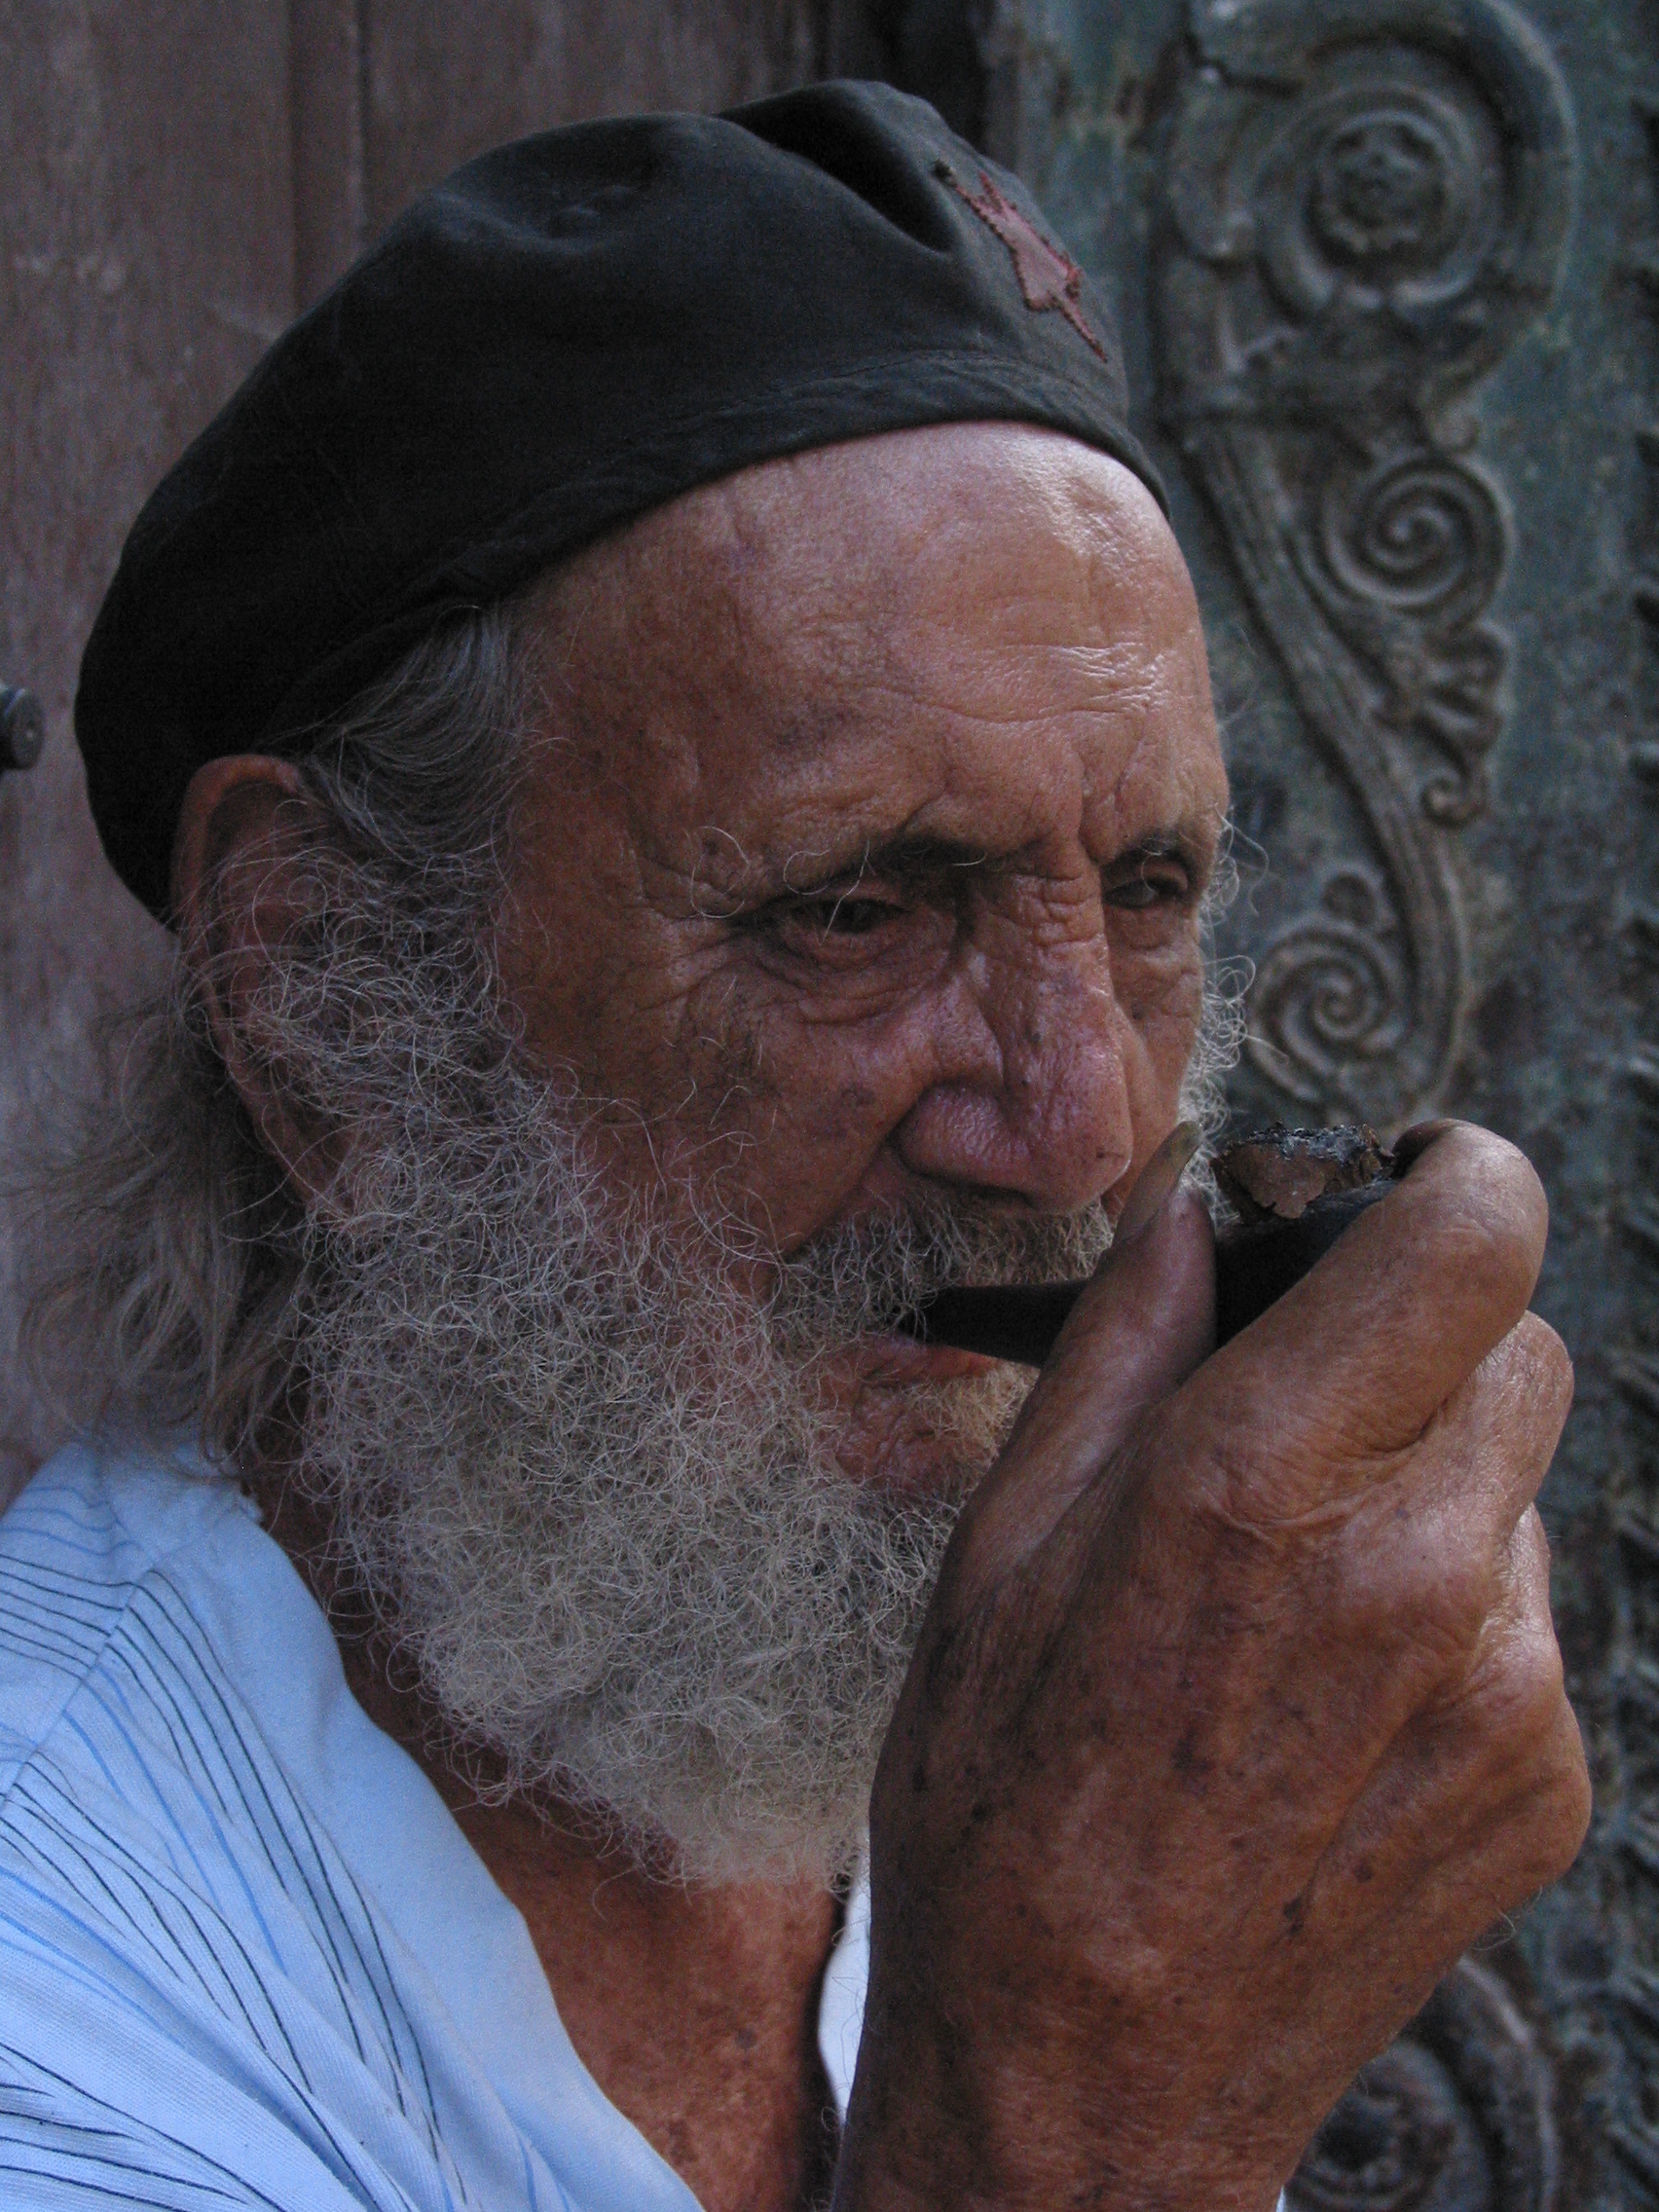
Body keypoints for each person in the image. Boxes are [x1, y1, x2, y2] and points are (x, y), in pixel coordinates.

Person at [3, 82, 1588, 2212]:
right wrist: (1082, 2097)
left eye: (1145, 891)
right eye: (854, 907)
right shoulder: (68, 1965)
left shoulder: (958, 1707)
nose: (1079, 1122)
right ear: (325, 1002)